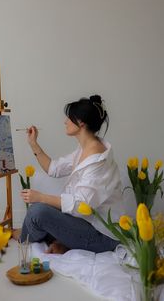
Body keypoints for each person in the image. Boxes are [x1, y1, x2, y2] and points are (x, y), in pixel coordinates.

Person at [14, 95, 123, 254]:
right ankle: (60, 242)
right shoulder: (85, 149)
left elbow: (80, 206)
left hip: (103, 236)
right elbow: (53, 168)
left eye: (69, 118)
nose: (65, 121)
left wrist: (41, 197)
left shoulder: (98, 160)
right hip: (85, 223)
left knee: (37, 212)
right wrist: (33, 143)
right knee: (43, 209)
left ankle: (22, 236)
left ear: (81, 123)